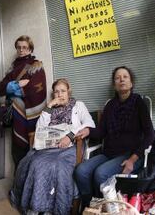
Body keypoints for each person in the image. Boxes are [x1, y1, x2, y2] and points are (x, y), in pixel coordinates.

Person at [10, 78, 95, 214]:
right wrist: (49, 105)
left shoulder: (78, 105)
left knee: (56, 166)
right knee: (31, 162)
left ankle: (52, 209)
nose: (60, 94)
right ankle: (36, 207)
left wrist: (70, 136)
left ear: (69, 92)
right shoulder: (50, 109)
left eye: (63, 91)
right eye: (56, 92)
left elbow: (89, 123)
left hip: (71, 146)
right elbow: (40, 128)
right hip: (49, 147)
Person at [74, 66, 155, 208]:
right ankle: (90, 205)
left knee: (100, 174)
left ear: (131, 83)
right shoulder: (111, 105)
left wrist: (132, 159)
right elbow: (101, 132)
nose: (121, 79)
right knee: (81, 171)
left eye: (125, 77)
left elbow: (150, 135)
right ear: (114, 85)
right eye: (117, 78)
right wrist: (88, 131)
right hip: (109, 154)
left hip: (131, 155)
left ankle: (104, 207)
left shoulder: (138, 103)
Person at [0, 35, 47, 167]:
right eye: (19, 47)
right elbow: (2, 86)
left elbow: (38, 89)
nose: (21, 50)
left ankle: (28, 186)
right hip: (16, 117)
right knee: (17, 152)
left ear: (30, 49)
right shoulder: (13, 67)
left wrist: (18, 90)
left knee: (31, 153)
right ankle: (18, 186)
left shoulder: (36, 66)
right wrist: (14, 86)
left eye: (25, 47)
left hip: (30, 118)